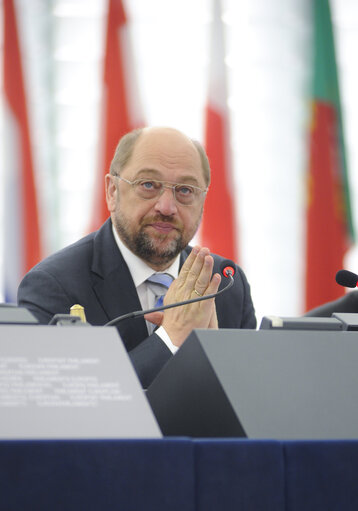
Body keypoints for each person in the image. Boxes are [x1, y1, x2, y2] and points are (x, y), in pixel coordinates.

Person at [18, 127, 256, 388]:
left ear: (203, 200)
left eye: (185, 190)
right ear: (112, 191)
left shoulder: (225, 284)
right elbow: (65, 406)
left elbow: (247, 401)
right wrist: (170, 338)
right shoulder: (54, 287)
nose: (167, 207)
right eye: (148, 185)